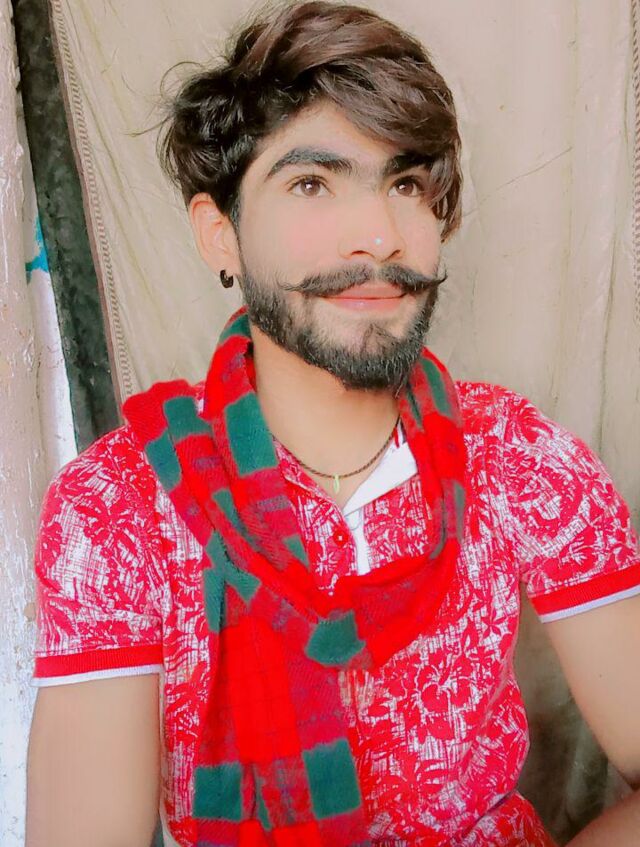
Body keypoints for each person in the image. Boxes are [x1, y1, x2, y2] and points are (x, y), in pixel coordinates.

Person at [25, 2, 640, 845]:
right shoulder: (118, 508)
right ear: (220, 235)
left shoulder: (519, 458)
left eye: (407, 183)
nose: (379, 236)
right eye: (312, 183)